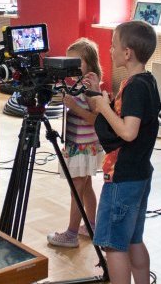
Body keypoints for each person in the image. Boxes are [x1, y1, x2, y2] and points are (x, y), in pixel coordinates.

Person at [86, 20, 160, 284]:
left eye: (113, 45)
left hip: (123, 178)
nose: (110, 50)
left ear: (127, 52)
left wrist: (103, 108)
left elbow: (128, 132)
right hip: (139, 174)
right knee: (133, 240)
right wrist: (101, 98)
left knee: (114, 246)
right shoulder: (146, 81)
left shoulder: (135, 87)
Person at [47, 38, 105, 248]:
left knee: (77, 190)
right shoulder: (79, 85)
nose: (69, 66)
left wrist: (74, 106)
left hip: (84, 147)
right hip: (79, 145)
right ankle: (91, 225)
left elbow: (95, 118)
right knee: (86, 186)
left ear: (89, 63)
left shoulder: (90, 87)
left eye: (75, 62)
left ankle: (71, 234)